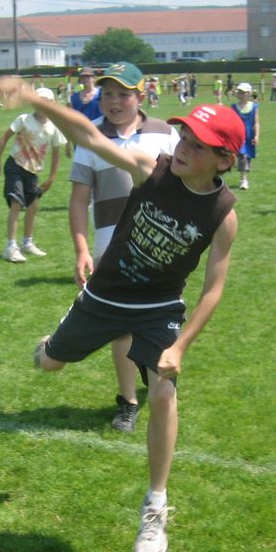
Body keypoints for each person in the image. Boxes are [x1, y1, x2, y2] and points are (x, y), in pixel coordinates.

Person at [0, 75, 244, 552]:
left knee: (162, 393)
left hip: (158, 308)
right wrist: (32, 97)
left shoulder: (222, 213)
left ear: (224, 160)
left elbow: (213, 288)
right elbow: (88, 137)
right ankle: (54, 344)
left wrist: (179, 347)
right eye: (185, 138)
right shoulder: (150, 171)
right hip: (105, 296)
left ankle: (155, 506)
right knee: (48, 364)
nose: (184, 149)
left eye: (199, 146)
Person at [68, 61, 180, 433]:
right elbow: (78, 200)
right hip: (110, 252)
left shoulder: (165, 135)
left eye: (122, 93)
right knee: (121, 330)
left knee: (157, 324)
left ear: (140, 95)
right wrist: (82, 249)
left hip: (160, 253)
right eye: (107, 94)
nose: (113, 101)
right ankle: (128, 400)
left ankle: (156, 387)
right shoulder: (90, 140)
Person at [0, 87, 66, 263]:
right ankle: (10, 247)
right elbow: (4, 138)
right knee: (16, 203)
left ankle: (27, 243)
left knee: (33, 206)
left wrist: (52, 177)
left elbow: (56, 153)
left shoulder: (54, 126)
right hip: (15, 165)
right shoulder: (24, 119)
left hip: (33, 172)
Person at [231, 82, 260, 191]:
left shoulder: (254, 106)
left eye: (243, 92)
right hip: (239, 136)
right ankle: (243, 180)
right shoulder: (234, 107)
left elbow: (256, 122)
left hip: (249, 136)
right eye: (239, 92)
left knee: (247, 157)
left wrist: (256, 135)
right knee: (242, 156)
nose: (241, 94)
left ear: (248, 93)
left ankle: (245, 173)